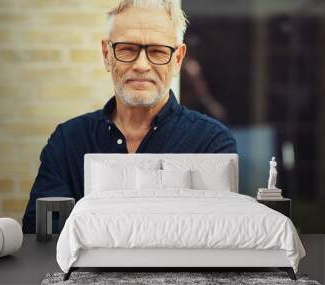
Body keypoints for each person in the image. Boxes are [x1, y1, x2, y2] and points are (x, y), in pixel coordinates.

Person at [22, 0, 237, 233]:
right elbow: (39, 232)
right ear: (107, 55)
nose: (141, 65)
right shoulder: (68, 140)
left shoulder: (211, 143)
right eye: (127, 49)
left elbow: (218, 235)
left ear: (177, 59)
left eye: (157, 51)